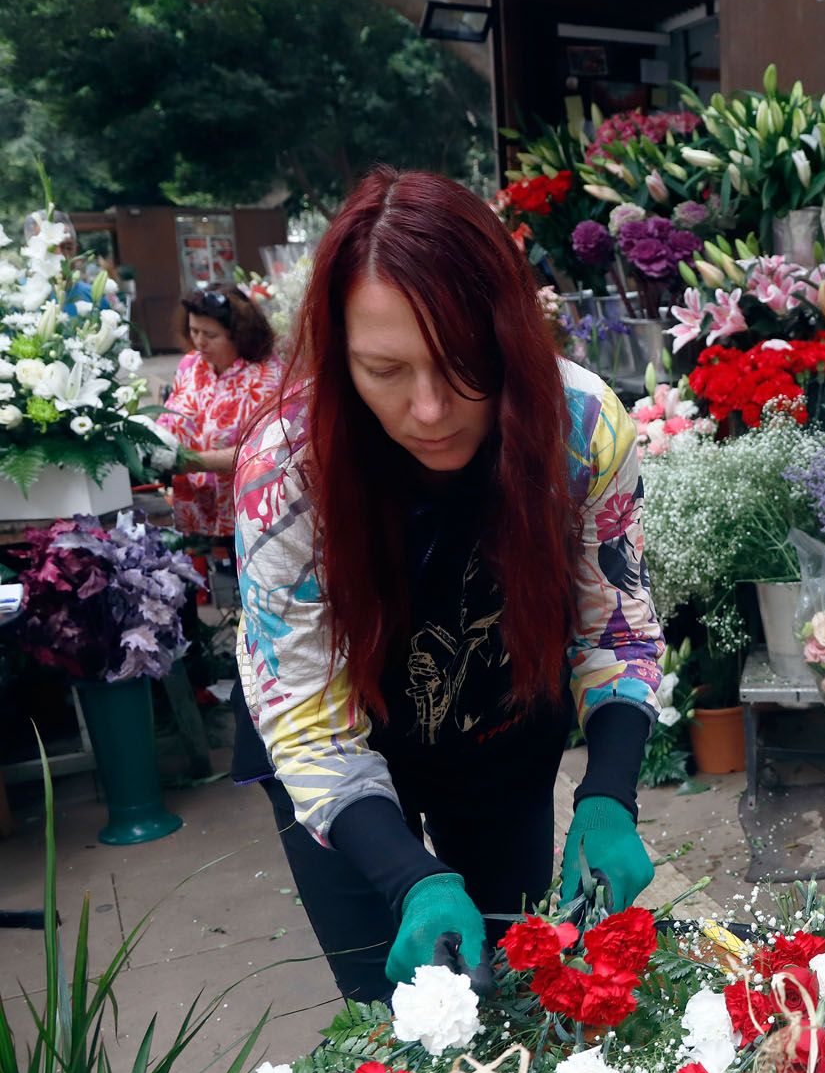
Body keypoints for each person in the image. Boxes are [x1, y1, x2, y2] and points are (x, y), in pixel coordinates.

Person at [232, 168, 667, 1003]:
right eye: (384, 370)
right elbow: (304, 714)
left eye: (462, 362)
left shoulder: (580, 428)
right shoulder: (288, 471)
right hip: (340, 754)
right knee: (395, 1011)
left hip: (500, 732)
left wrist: (610, 790)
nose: (428, 409)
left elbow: (617, 628)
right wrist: (409, 876)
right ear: (339, 353)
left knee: (515, 985)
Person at [156, 285, 283, 541]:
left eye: (210, 335)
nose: (199, 342)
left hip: (245, 519)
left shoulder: (268, 377)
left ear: (238, 334)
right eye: (194, 331)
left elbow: (269, 450)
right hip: (193, 513)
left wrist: (193, 462)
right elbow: (168, 419)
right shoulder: (191, 365)